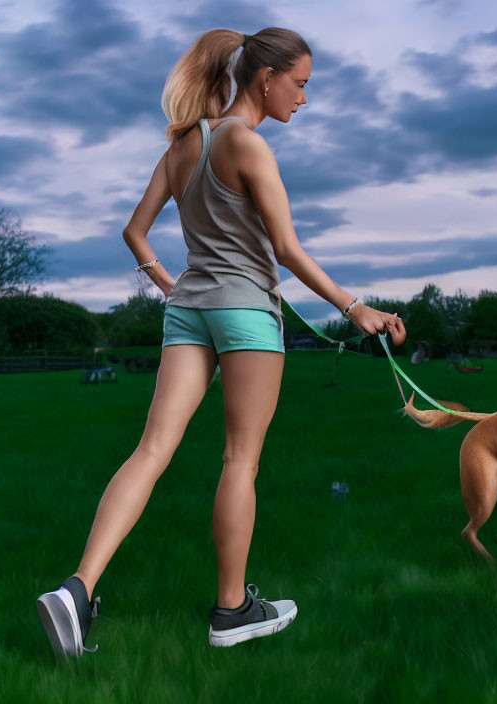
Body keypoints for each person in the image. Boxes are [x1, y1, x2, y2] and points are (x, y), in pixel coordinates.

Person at [36, 26, 406, 657]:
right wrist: (355, 306)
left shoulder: (185, 145)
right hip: (244, 316)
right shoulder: (248, 145)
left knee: (151, 451)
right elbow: (286, 249)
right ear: (267, 78)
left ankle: (77, 591)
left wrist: (171, 285)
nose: (304, 98)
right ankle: (232, 611)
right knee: (240, 460)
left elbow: (135, 231)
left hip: (188, 314)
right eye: (302, 83)